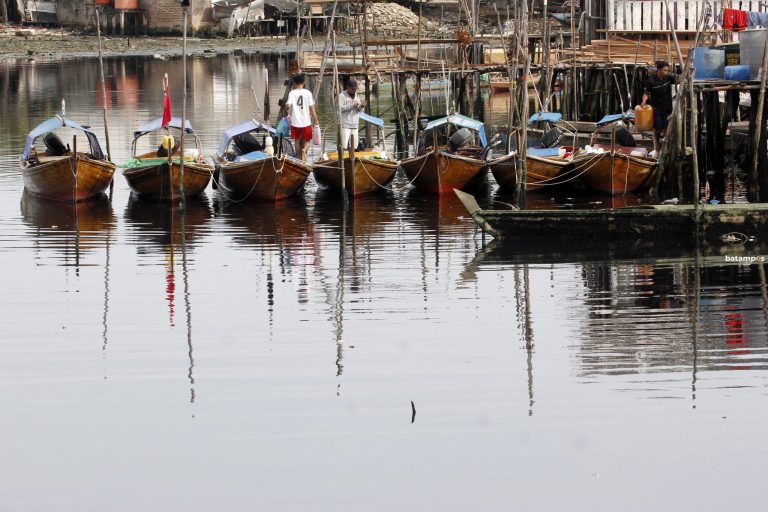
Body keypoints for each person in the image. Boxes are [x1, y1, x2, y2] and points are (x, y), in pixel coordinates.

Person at [642, 60, 678, 153]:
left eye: (667, 70)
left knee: (666, 128)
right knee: (657, 128)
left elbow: (679, 79)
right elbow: (646, 93)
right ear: (658, 70)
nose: (666, 72)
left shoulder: (668, 78)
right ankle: (656, 146)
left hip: (667, 108)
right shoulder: (651, 81)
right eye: (665, 70)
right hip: (656, 108)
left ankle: (665, 148)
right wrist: (644, 101)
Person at [285, 74, 318, 160]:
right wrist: (315, 119)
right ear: (303, 82)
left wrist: (286, 110)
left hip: (295, 122)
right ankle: (304, 150)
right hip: (306, 121)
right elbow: (312, 108)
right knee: (307, 140)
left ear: (295, 83)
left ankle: (300, 158)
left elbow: (288, 105)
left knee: (297, 140)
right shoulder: (308, 93)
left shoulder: (292, 93)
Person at [338, 78, 363, 151]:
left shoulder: (357, 96)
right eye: (353, 89)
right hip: (345, 124)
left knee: (354, 146)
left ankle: (353, 160)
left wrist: (359, 107)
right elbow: (340, 108)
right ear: (348, 87)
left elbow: (360, 110)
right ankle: (344, 160)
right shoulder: (342, 96)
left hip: (355, 123)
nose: (354, 91)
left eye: (355, 89)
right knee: (344, 145)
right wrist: (351, 106)